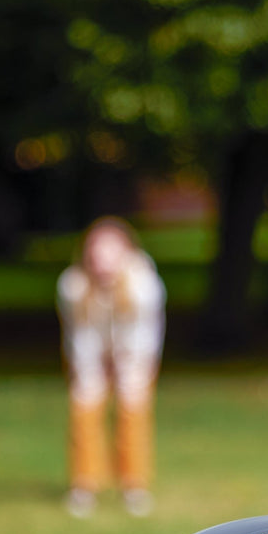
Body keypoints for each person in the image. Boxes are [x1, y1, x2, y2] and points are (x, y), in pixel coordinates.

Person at [57, 216, 166, 517]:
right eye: (96, 251)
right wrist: (92, 370)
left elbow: (143, 335)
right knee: (84, 406)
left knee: (133, 410)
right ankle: (84, 485)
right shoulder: (73, 285)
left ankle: (134, 486)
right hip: (89, 353)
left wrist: (126, 367)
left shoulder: (144, 285)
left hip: (134, 354)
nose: (102, 260)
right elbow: (80, 335)